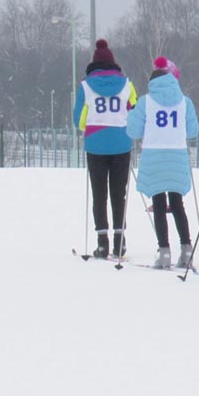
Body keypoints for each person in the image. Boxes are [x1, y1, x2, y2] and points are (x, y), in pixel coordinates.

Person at [127, 57, 199, 268]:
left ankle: (164, 251)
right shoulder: (185, 102)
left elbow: (133, 131)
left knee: (159, 204)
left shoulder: (145, 101)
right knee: (177, 204)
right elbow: (192, 130)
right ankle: (187, 248)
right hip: (177, 154)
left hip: (154, 155)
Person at [73, 39, 137, 259]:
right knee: (119, 194)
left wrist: (91, 124)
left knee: (99, 195)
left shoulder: (85, 86)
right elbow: (134, 112)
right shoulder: (127, 85)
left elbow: (78, 120)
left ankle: (102, 243)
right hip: (121, 143)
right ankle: (120, 241)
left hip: (96, 145)